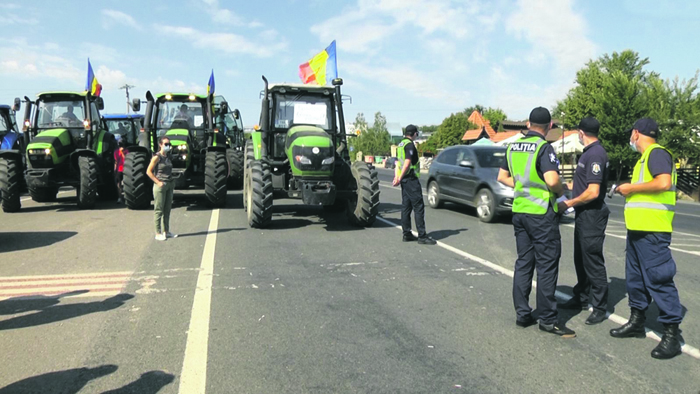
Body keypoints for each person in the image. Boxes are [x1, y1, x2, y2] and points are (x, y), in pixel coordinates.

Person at [497, 107, 574, 337]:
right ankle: (548, 320)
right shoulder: (544, 148)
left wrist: (523, 186)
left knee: (524, 263)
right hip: (541, 214)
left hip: (520, 211)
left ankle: (522, 314)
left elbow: (502, 177)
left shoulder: (512, 147)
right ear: (549, 126)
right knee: (546, 265)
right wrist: (563, 191)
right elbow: (552, 180)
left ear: (528, 124)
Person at [610, 118, 683, 360]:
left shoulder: (656, 153)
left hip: (653, 232)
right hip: (638, 230)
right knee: (636, 280)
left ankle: (672, 335)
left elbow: (664, 183)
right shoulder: (644, 158)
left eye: (631, 134)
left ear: (636, 133)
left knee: (659, 279)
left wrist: (630, 188)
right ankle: (637, 322)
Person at [558, 117, 610, 325]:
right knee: (581, 259)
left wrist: (569, 203)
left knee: (592, 260)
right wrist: (561, 187)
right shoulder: (589, 153)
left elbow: (593, 191)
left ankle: (599, 306)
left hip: (591, 214)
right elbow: (581, 183)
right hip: (584, 213)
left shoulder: (596, 154)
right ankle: (580, 296)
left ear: (581, 133)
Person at [392, 124, 436, 245]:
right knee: (418, 207)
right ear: (414, 134)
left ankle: (406, 234)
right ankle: (422, 236)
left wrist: (397, 177)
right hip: (410, 179)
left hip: (404, 181)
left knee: (406, 207)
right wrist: (400, 178)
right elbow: (407, 163)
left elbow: (397, 164)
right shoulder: (410, 145)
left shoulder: (400, 145)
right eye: (417, 133)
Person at [147, 137, 177, 241]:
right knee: (159, 210)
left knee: (167, 209)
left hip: (169, 184)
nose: (168, 146)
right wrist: (158, 182)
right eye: (165, 144)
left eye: (169, 144)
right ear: (160, 145)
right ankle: (158, 232)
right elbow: (148, 171)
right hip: (160, 185)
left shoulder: (168, 156)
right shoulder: (157, 157)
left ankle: (166, 231)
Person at [114, 136, 128, 204]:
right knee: (118, 184)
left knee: (125, 183)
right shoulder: (116, 151)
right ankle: (119, 197)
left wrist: (122, 153)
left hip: (125, 169)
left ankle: (126, 197)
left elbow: (126, 160)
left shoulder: (127, 151)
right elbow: (116, 161)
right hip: (119, 169)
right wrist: (115, 170)